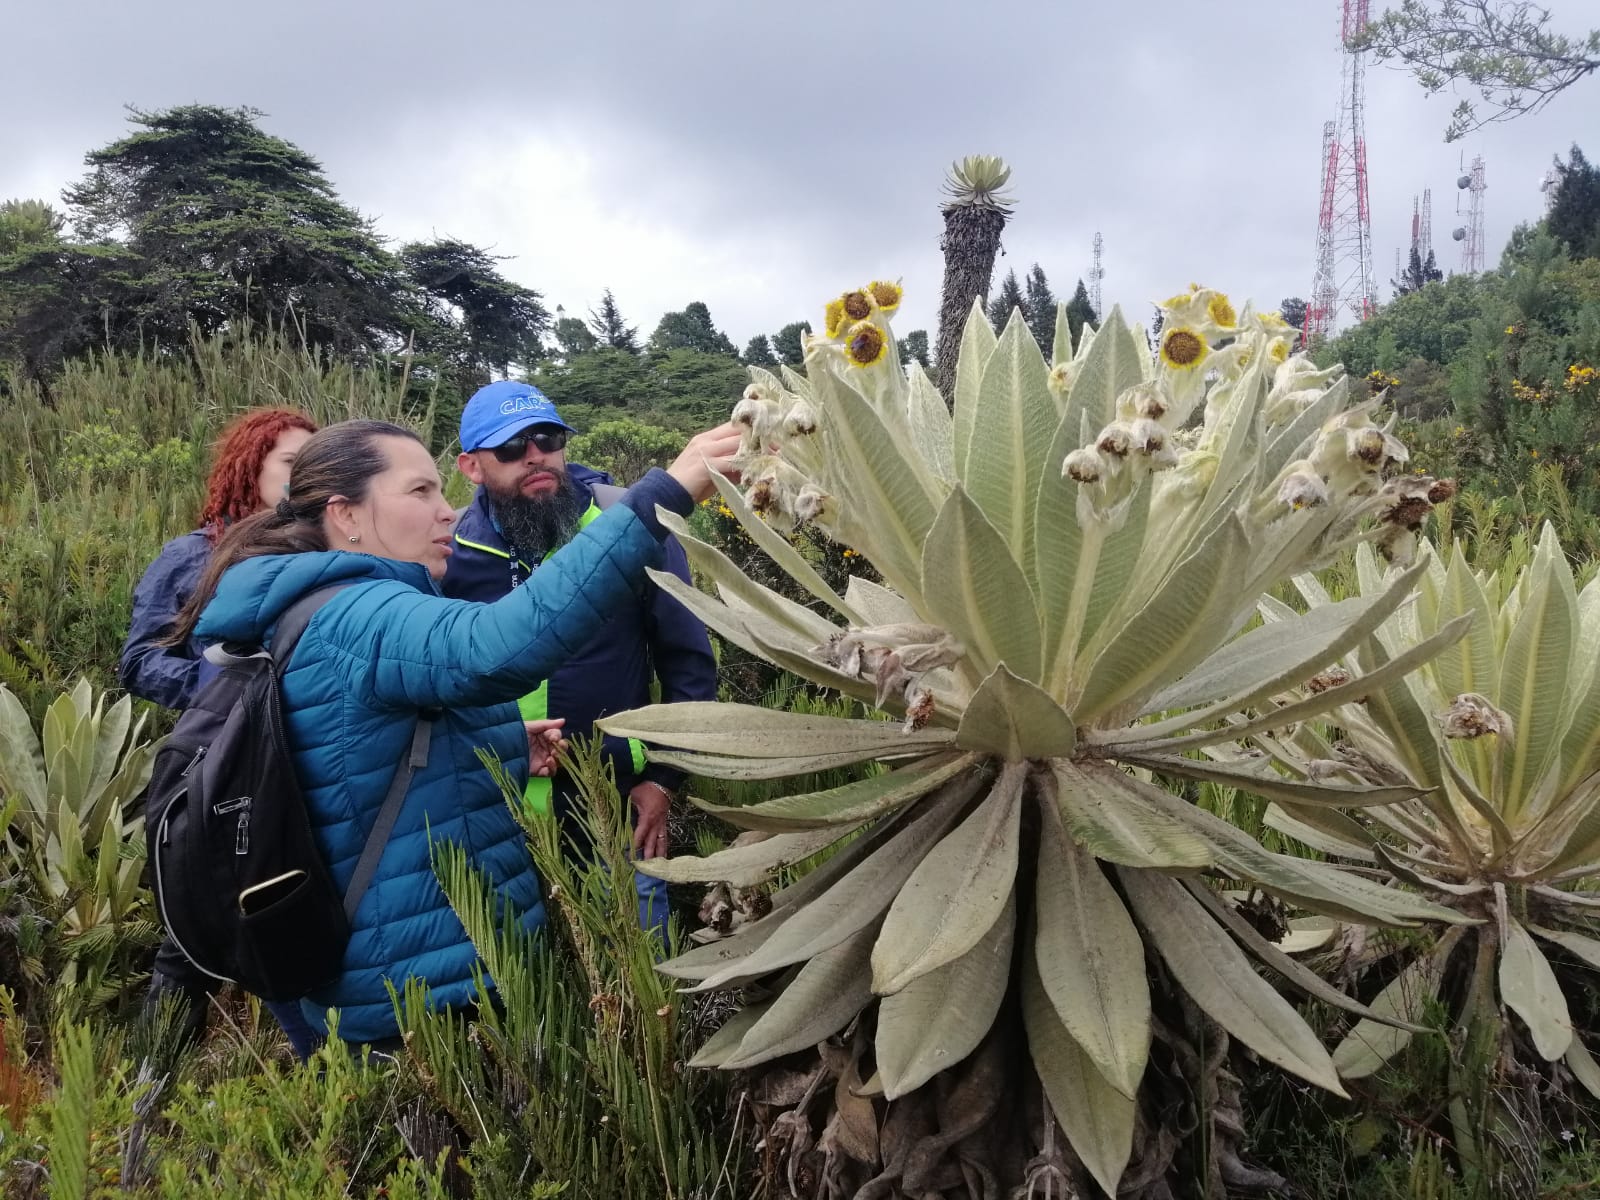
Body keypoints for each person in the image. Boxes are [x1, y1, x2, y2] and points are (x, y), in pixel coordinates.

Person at [164, 416, 743, 1048]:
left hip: (412, 970)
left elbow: (360, 755)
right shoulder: (358, 611)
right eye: (419, 493)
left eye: (442, 492)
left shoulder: (332, 604)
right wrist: (663, 495)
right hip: (419, 997)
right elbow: (500, 645)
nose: (447, 514)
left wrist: (498, 743)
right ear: (346, 515)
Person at [442, 382, 716, 936]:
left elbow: (688, 662)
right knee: (529, 969)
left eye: (547, 437)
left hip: (616, 799)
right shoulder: (452, 555)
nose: (535, 456)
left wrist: (663, 779)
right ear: (471, 467)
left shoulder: (632, 529)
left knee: (643, 960)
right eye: (511, 448)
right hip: (500, 810)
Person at [120, 406, 322, 1057]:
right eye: (292, 464)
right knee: (193, 942)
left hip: (308, 767)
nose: (305, 478)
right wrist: (229, 694)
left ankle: (333, 1094)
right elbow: (140, 659)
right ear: (250, 467)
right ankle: (145, 1100)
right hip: (221, 769)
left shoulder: (325, 552)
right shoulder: (191, 555)